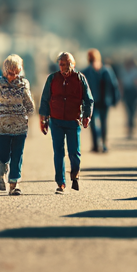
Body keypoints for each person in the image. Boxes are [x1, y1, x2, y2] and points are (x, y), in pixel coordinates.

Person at [39, 51, 94, 193]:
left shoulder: (79, 79)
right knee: (58, 152)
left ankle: (75, 174)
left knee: (74, 153)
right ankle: (60, 183)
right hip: (56, 120)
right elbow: (45, 99)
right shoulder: (52, 79)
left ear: (73, 64)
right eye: (61, 64)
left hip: (73, 121)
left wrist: (87, 115)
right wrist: (43, 119)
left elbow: (88, 100)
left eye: (66, 63)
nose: (63, 66)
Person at [0, 54, 34, 195]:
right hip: (3, 126)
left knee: (17, 156)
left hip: (20, 126)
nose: (14, 76)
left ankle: (13, 184)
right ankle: (0, 174)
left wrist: (30, 114)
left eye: (17, 73)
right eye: (11, 73)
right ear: (5, 71)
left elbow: (29, 104)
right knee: (3, 156)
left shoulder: (24, 83)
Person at [80, 49, 120, 153]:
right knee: (98, 123)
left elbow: (113, 85)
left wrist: (115, 99)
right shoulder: (102, 70)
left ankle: (99, 144)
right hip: (97, 101)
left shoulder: (102, 70)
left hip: (99, 101)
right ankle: (100, 144)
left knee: (98, 123)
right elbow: (114, 85)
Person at [119, 56, 137, 138]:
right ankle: (130, 128)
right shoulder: (123, 71)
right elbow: (121, 83)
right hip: (127, 92)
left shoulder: (135, 72)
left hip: (133, 92)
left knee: (132, 111)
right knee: (128, 111)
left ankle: (131, 127)